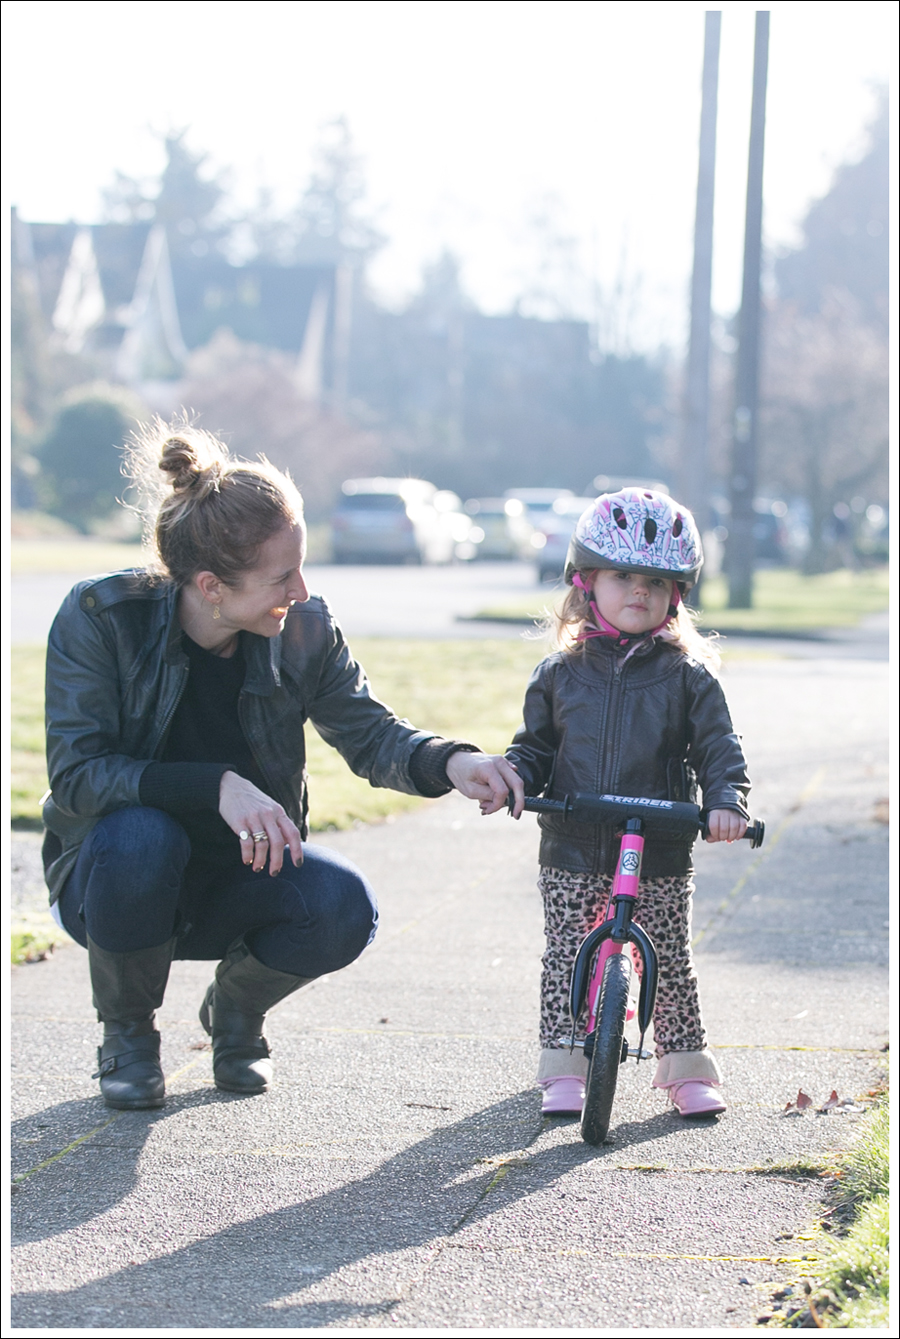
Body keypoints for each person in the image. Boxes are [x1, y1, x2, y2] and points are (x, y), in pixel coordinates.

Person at [43, 423, 523, 1111]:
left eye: (302, 564)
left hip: (239, 872)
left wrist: (451, 761)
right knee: (143, 835)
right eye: (281, 575)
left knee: (342, 906)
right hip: (116, 881)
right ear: (211, 584)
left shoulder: (302, 630)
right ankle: (128, 1036)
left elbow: (368, 729)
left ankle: (233, 1017)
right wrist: (215, 785)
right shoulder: (102, 618)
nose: (301, 589)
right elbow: (79, 775)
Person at [499, 488, 750, 1118]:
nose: (639, 591)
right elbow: (534, 747)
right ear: (586, 582)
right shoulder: (559, 674)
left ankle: (685, 1065)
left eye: (656, 581)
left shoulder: (689, 678)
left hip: (660, 843)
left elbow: (719, 750)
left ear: (677, 595)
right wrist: (514, 779)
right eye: (622, 576)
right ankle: (563, 1061)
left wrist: (725, 802)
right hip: (574, 841)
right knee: (565, 955)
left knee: (668, 957)